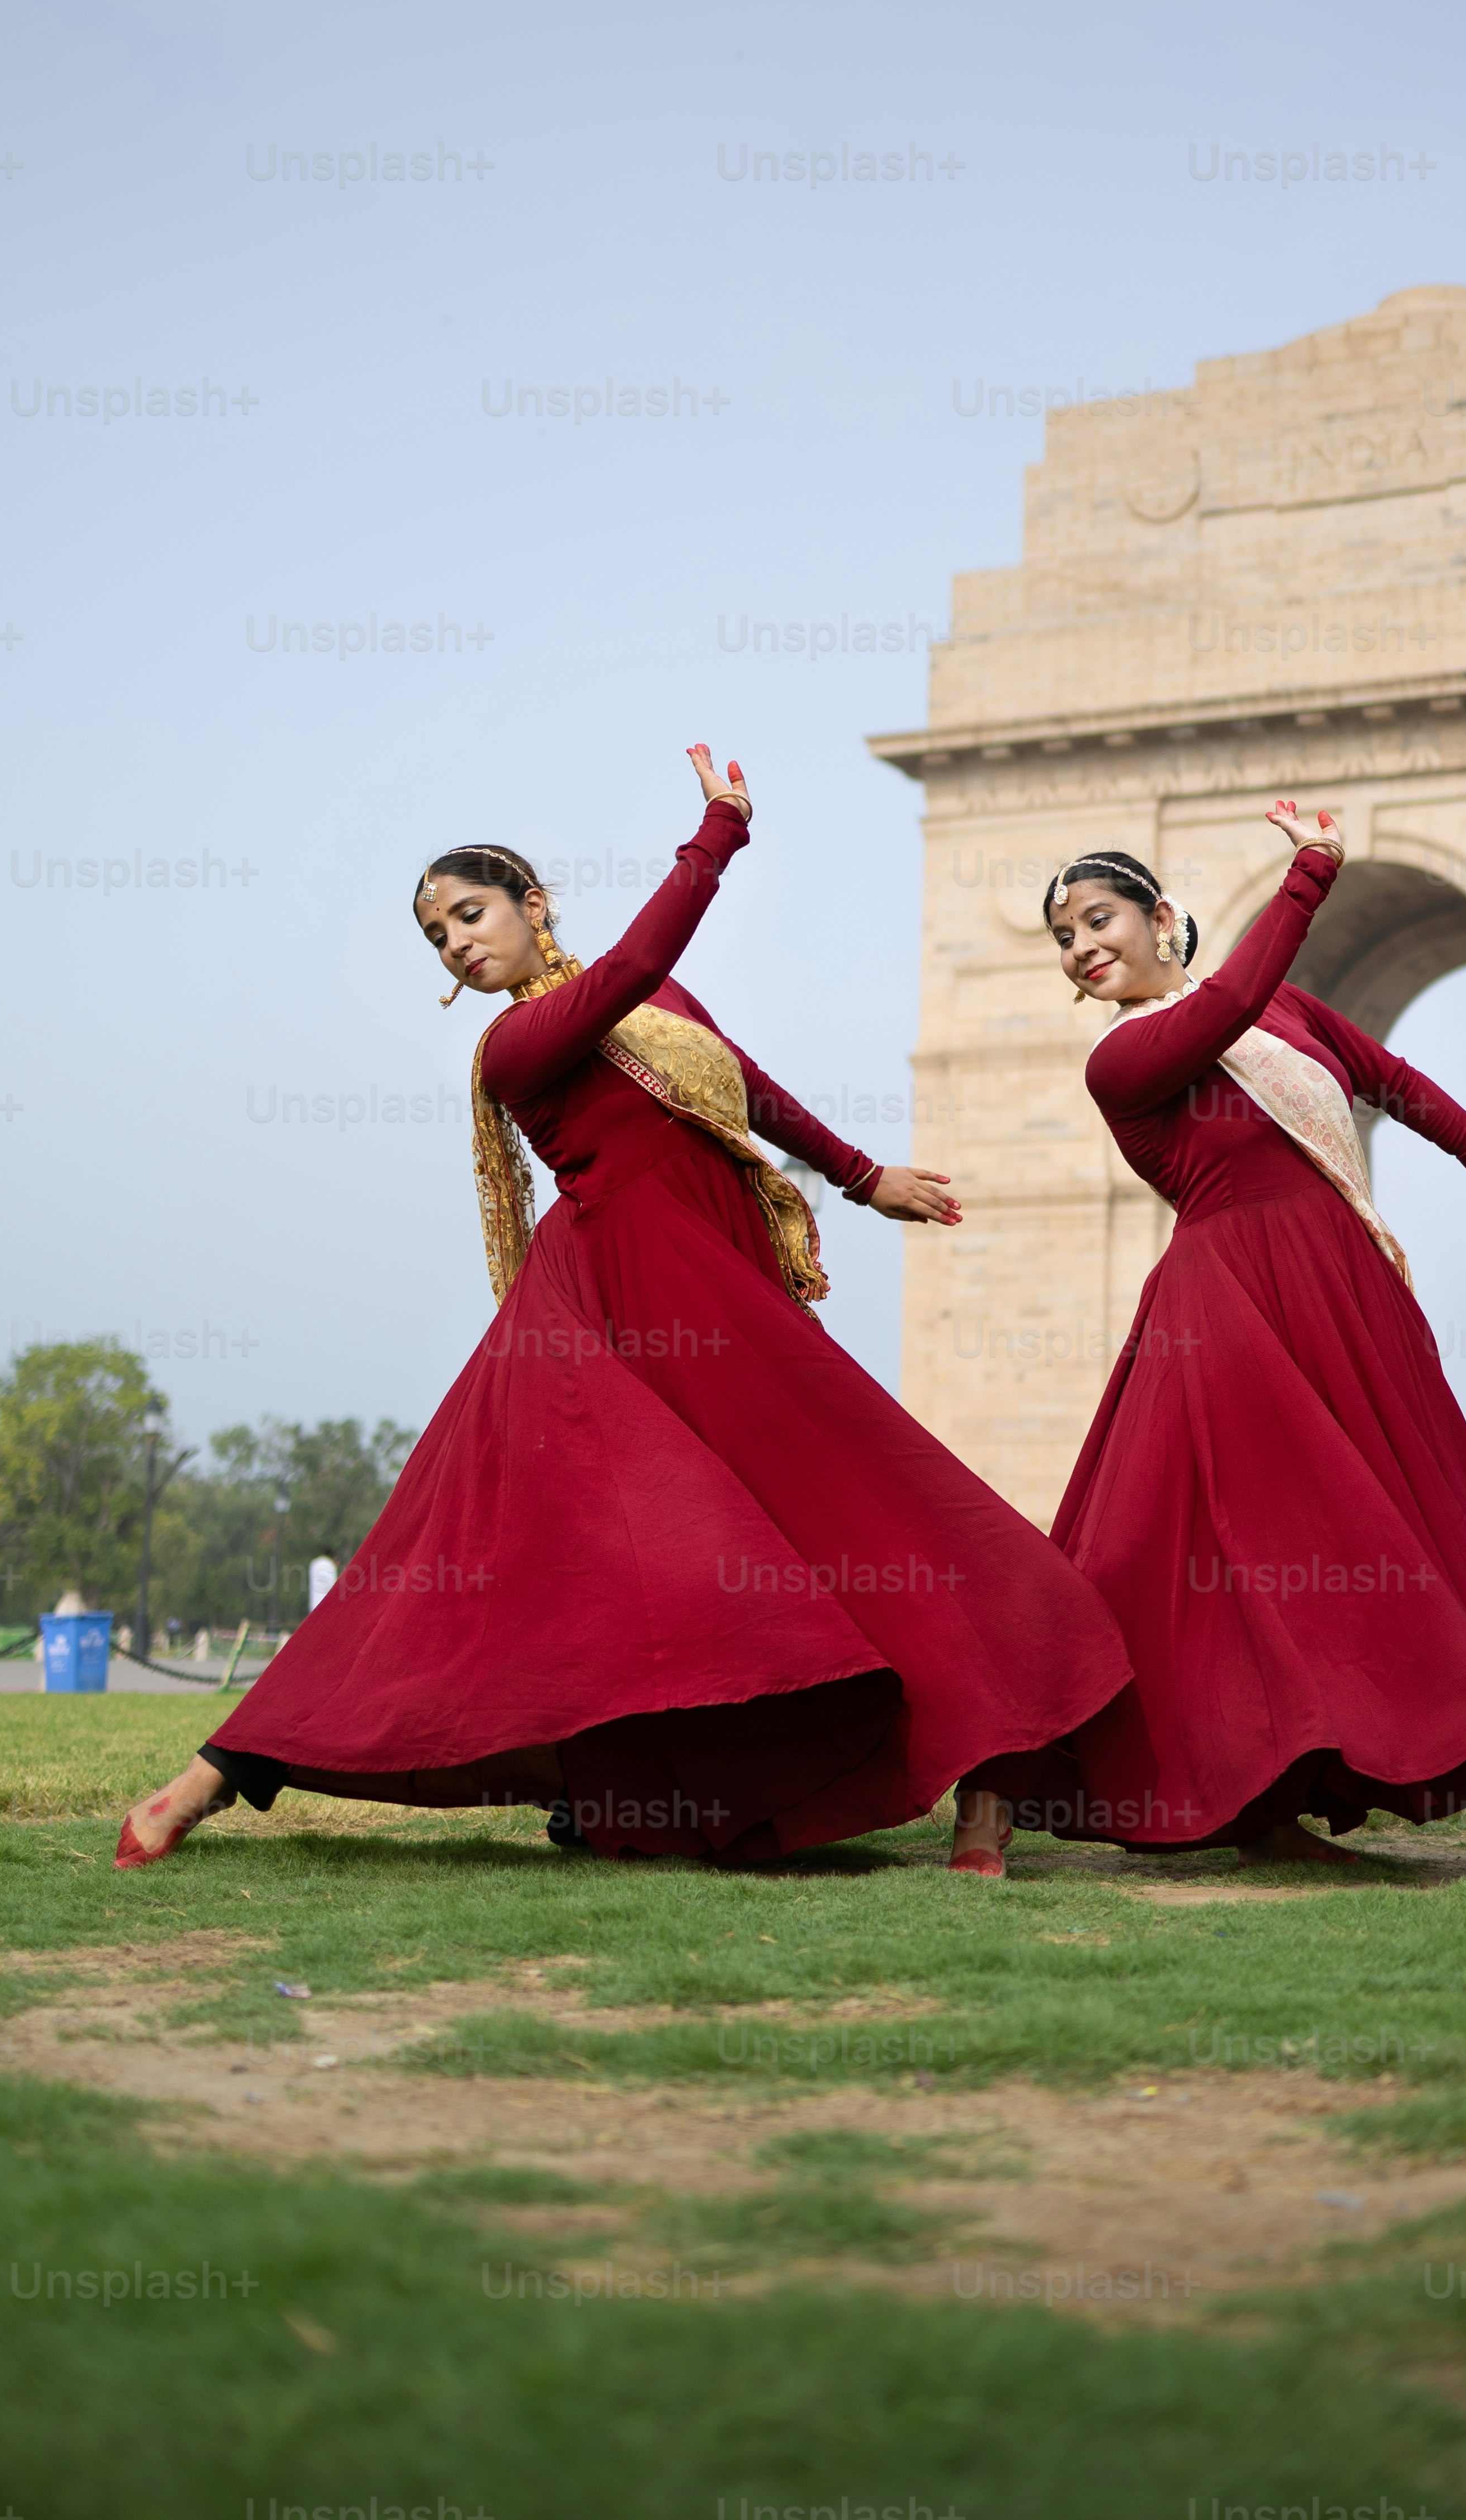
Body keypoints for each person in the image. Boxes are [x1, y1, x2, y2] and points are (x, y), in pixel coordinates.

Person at [117, 746, 1126, 1875]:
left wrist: (861, 1174)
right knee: (442, 1572)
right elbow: (646, 953)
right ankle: (196, 1787)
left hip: (720, 1294)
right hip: (605, 1317)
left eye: (469, 911)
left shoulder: (648, 1007)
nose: (457, 940)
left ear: (530, 903)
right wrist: (715, 836)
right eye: (439, 935)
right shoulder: (515, 1042)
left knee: (876, 1518)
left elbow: (744, 1083)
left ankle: (982, 1795)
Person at [1019, 802, 1466, 1864]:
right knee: (1194, 1543)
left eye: (1100, 919)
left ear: (1158, 919)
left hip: (1346, 1291)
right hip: (1228, 1305)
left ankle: (1280, 1796)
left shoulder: (1289, 1010)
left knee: (1359, 1539)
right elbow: (1228, 1000)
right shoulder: (1125, 1060)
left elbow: (1397, 1086)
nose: (1084, 948)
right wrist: (1311, 876)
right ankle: (1009, 1769)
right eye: (1064, 939)